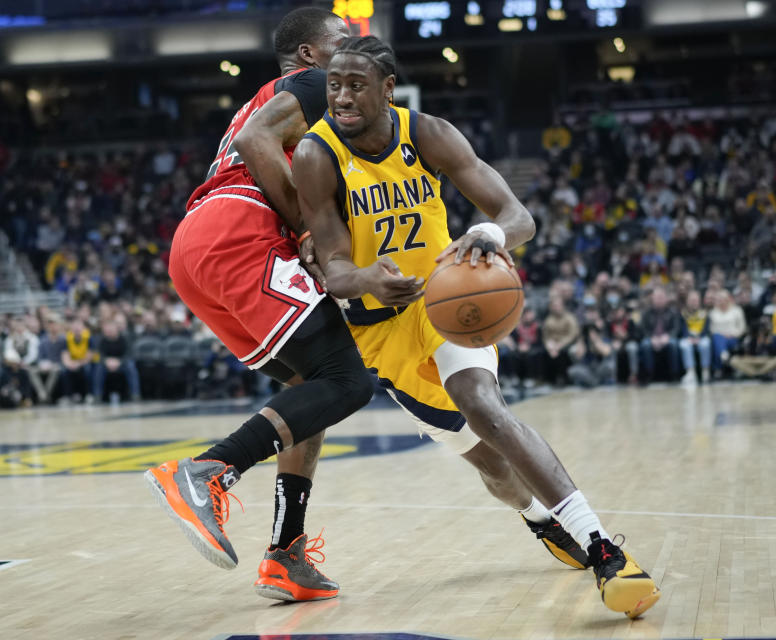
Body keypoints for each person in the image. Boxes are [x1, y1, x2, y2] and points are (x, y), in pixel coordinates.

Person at [290, 35, 659, 618]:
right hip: (377, 329)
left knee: (485, 407)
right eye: (334, 84)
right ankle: (538, 518)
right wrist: (365, 279)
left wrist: (488, 237)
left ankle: (602, 546)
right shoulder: (316, 156)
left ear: (389, 89)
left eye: (356, 84)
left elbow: (519, 216)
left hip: (447, 302)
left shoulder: (428, 133)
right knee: (489, 465)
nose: (340, 96)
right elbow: (333, 267)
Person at [145, 7, 369, 602]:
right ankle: (208, 470)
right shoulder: (317, 86)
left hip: (197, 242)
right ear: (309, 57)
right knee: (349, 379)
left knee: (310, 387)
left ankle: (284, 555)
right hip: (240, 228)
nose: (354, 55)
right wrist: (304, 232)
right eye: (342, 43)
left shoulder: (283, 99)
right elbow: (254, 141)